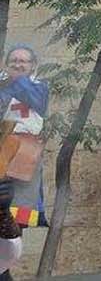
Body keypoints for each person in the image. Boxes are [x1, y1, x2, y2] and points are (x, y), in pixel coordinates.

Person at [0, 45, 49, 228]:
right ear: (6, 64)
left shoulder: (40, 87)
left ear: (33, 65)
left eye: (23, 61)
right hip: (2, 145)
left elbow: (37, 102)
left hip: (25, 150)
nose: (18, 65)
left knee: (19, 209)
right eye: (14, 61)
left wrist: (15, 80)